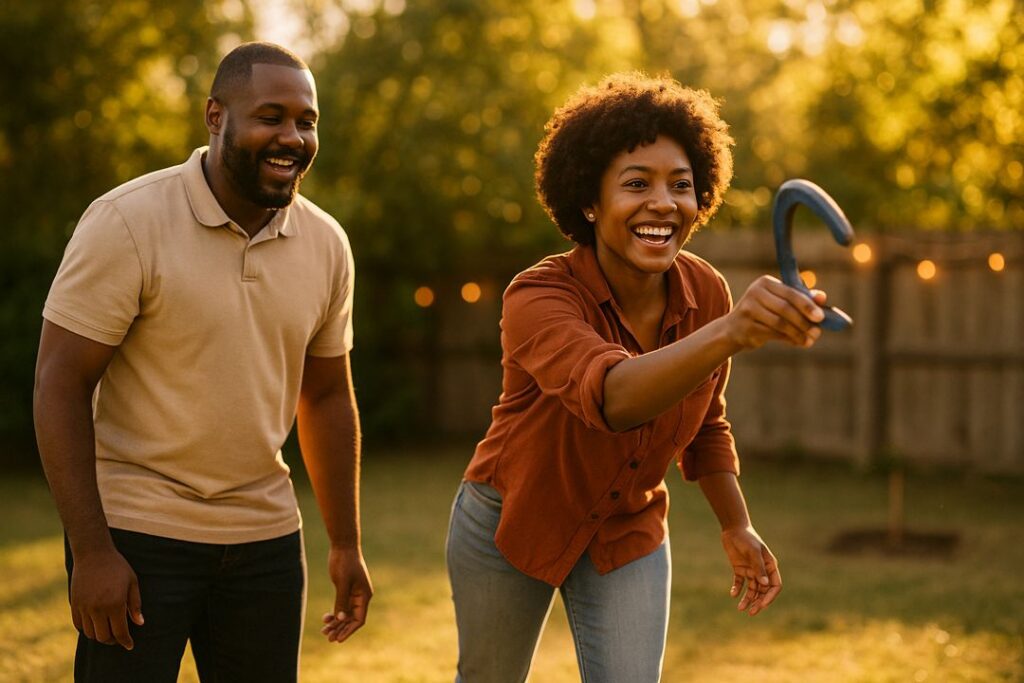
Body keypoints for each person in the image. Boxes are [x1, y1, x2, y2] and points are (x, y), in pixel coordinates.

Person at [446, 72, 829, 682]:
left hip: (628, 530)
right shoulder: (538, 295)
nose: (663, 203)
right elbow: (610, 398)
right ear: (589, 202)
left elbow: (706, 421)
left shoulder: (705, 290)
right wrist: (729, 333)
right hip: (511, 522)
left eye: (682, 185)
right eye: (636, 184)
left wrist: (737, 525)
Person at [33, 42, 371, 682]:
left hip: (266, 542)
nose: (292, 136)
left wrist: (346, 544)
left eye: (307, 120)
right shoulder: (127, 221)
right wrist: (92, 551)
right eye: (271, 116)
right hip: (136, 536)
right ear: (216, 116)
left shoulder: (326, 243)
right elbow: (60, 382)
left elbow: (326, 396)